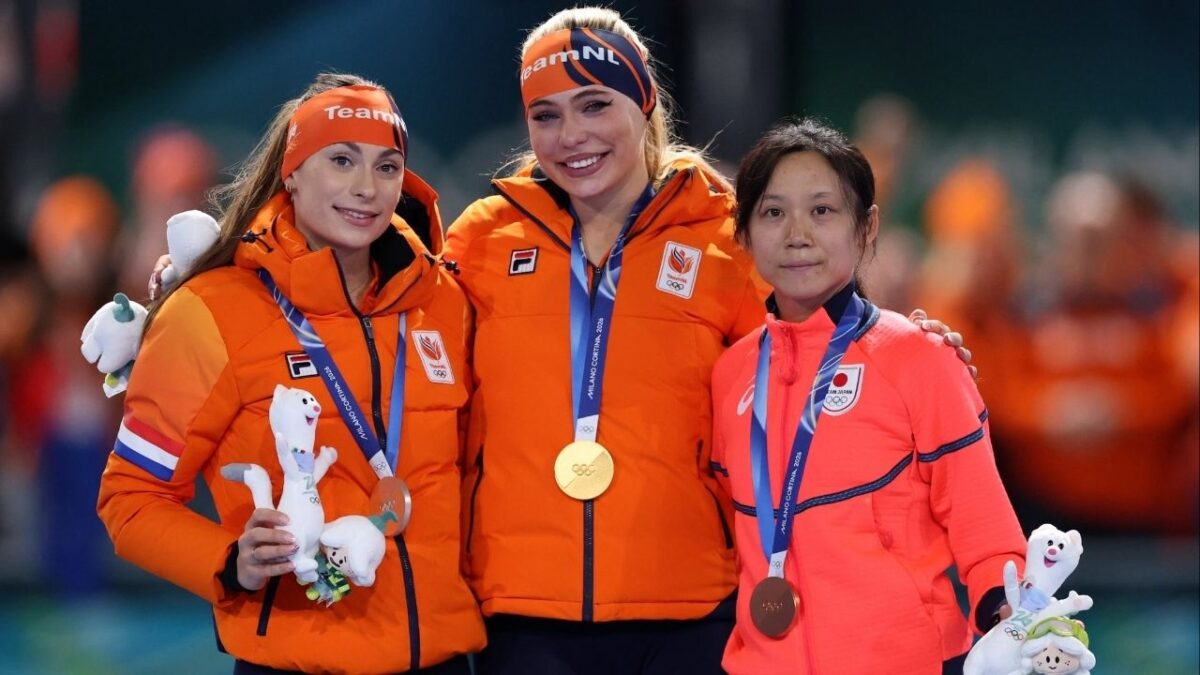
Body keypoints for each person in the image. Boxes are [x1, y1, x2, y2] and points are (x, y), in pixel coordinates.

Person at [442, 8, 973, 673]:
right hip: (524, 614)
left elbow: (818, 358)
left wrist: (906, 345)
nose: (571, 134)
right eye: (545, 115)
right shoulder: (481, 240)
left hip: (695, 612)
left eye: (594, 105)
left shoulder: (725, 233)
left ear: (644, 101)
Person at [95, 73, 485, 674]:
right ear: (292, 173)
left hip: (441, 658)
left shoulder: (444, 303)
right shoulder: (211, 312)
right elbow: (131, 498)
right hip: (296, 661)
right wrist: (229, 560)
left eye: (387, 167)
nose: (366, 188)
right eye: (341, 160)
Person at [710, 118, 1025, 675]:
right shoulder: (731, 373)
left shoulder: (919, 358)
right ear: (743, 234)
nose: (797, 234)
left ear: (867, 226)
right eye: (773, 212)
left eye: (823, 210)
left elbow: (985, 531)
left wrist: (1016, 624)